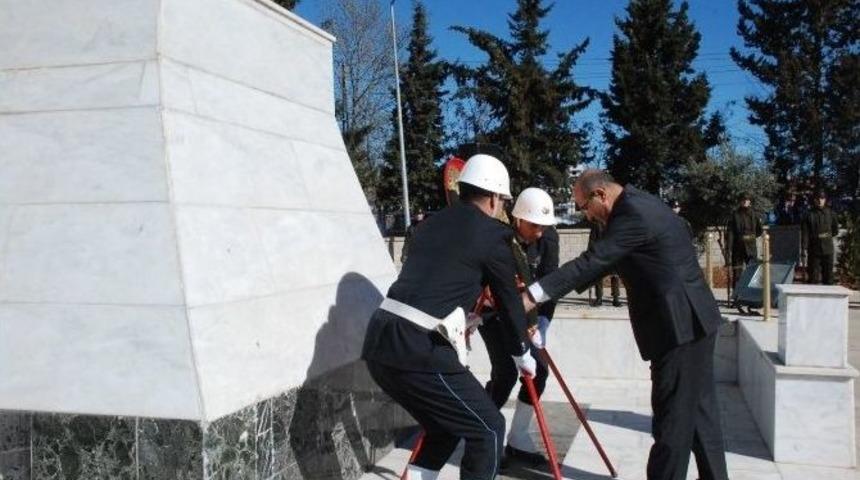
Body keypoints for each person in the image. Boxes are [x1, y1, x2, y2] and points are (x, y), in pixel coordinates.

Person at [522, 170, 729, 480]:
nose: (584, 214)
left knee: (672, 424)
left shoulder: (632, 213)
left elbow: (593, 261)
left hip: (678, 328)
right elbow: (605, 262)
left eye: (582, 206)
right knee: (701, 416)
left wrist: (533, 295)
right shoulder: (637, 204)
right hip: (692, 321)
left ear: (600, 194)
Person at [362, 154, 536, 480]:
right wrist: (522, 351)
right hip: (419, 347)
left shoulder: (430, 224)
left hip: (379, 341)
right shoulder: (494, 235)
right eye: (502, 200)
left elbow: (440, 279)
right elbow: (509, 301)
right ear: (496, 197)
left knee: (445, 427)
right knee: (489, 428)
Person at [477, 187, 559, 465]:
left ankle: (518, 437)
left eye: (544, 226)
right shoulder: (500, 238)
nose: (539, 232)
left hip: (530, 318)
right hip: (493, 314)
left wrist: (543, 322)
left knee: (539, 372)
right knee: (505, 375)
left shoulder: (548, 237)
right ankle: (483, 436)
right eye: (534, 225)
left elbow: (551, 280)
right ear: (518, 219)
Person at [726, 194, 762, 313]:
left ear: (750, 202)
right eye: (743, 200)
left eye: (747, 200)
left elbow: (759, 231)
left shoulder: (755, 214)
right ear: (740, 202)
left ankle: (752, 300)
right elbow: (730, 233)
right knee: (737, 274)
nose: (745, 202)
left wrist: (749, 238)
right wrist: (729, 249)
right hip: (738, 248)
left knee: (753, 275)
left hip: (751, 248)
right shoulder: (734, 215)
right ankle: (737, 298)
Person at [802, 190, 839, 285]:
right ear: (814, 200)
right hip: (814, 249)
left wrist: (826, 236)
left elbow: (835, 231)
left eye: (822, 198)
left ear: (825, 199)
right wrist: (803, 248)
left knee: (828, 278)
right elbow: (805, 233)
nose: (820, 200)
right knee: (813, 277)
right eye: (818, 198)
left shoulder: (831, 213)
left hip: (828, 249)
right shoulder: (808, 215)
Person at [588, 221, 621, 307]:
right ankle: (599, 298)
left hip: (613, 254)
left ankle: (616, 299)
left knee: (615, 277)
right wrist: (590, 253)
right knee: (598, 277)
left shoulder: (615, 223)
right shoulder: (596, 224)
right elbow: (592, 240)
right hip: (600, 254)